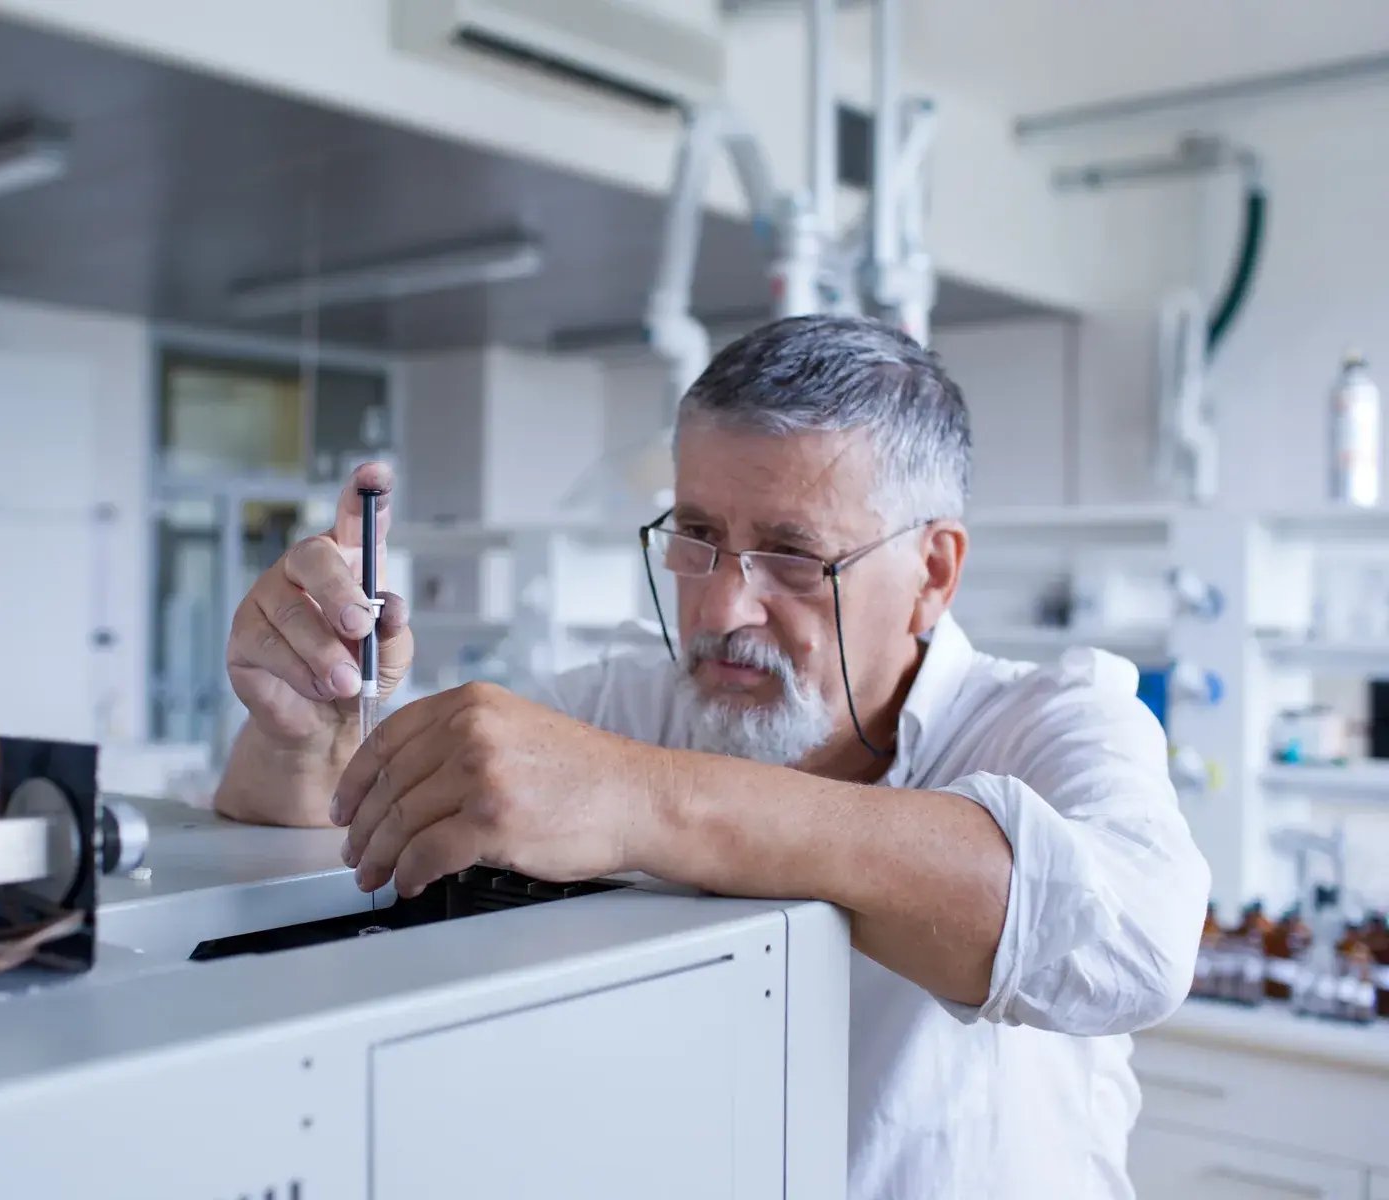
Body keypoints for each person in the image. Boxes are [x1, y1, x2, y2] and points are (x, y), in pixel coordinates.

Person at [215, 314, 1211, 1198]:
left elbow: (1129, 946)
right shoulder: (625, 703)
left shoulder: (1051, 718)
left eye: (791, 555)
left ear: (931, 572)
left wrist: (641, 801)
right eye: (695, 536)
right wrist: (304, 730)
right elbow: (332, 835)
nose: (723, 609)